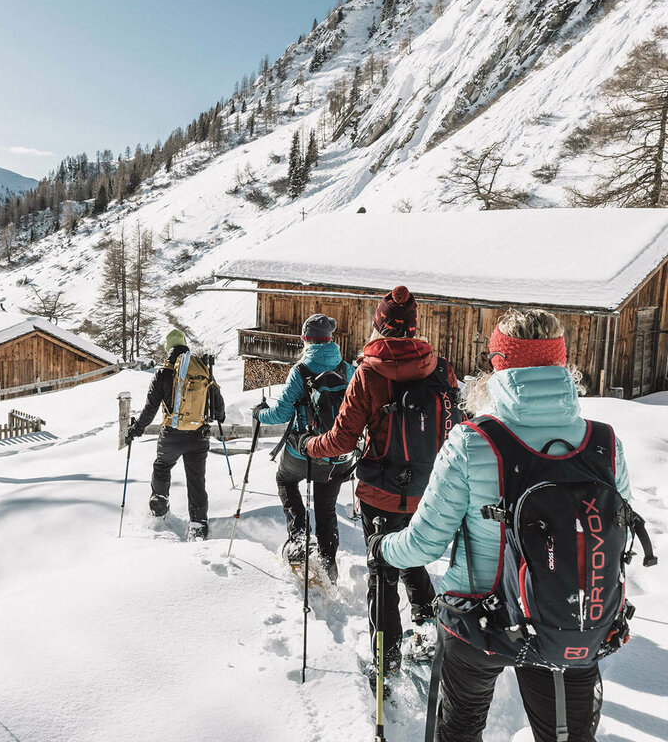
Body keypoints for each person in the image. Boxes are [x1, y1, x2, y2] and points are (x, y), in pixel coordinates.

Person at [367, 308, 633, 741]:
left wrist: (382, 547)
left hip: (480, 622)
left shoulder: (473, 441)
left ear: (499, 365)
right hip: (568, 620)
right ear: (562, 363)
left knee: (460, 731)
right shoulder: (604, 444)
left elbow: (424, 544)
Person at [302, 286, 460, 672]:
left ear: (379, 326)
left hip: (381, 492)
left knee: (383, 574)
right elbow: (459, 427)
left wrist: (308, 445)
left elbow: (341, 440)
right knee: (412, 551)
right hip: (430, 492)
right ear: (414, 326)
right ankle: (426, 621)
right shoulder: (441, 369)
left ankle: (385, 662)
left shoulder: (368, 374)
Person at [254, 314, 355, 584]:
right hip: (338, 456)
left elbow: (280, 414)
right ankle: (328, 567)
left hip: (305, 451)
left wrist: (260, 414)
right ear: (331, 339)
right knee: (326, 509)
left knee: (285, 479)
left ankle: (298, 537)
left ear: (305, 339)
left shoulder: (300, 370)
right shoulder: (348, 370)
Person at [127, 328, 225, 541]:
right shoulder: (202, 368)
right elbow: (218, 406)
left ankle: (159, 512)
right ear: (185, 345)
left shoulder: (163, 373)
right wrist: (219, 416)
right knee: (196, 479)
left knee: (161, 467)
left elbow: (150, 409)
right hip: (198, 435)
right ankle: (198, 525)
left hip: (171, 435)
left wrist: (136, 430)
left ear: (168, 349)